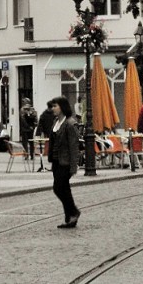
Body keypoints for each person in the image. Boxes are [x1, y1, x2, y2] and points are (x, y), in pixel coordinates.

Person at [47, 96, 80, 229]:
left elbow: (74, 146)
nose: (53, 108)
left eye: (55, 106)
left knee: (58, 188)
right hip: (56, 160)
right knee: (64, 188)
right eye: (52, 106)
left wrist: (74, 165)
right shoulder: (56, 121)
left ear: (62, 107)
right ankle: (70, 217)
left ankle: (73, 212)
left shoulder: (70, 123)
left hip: (65, 161)